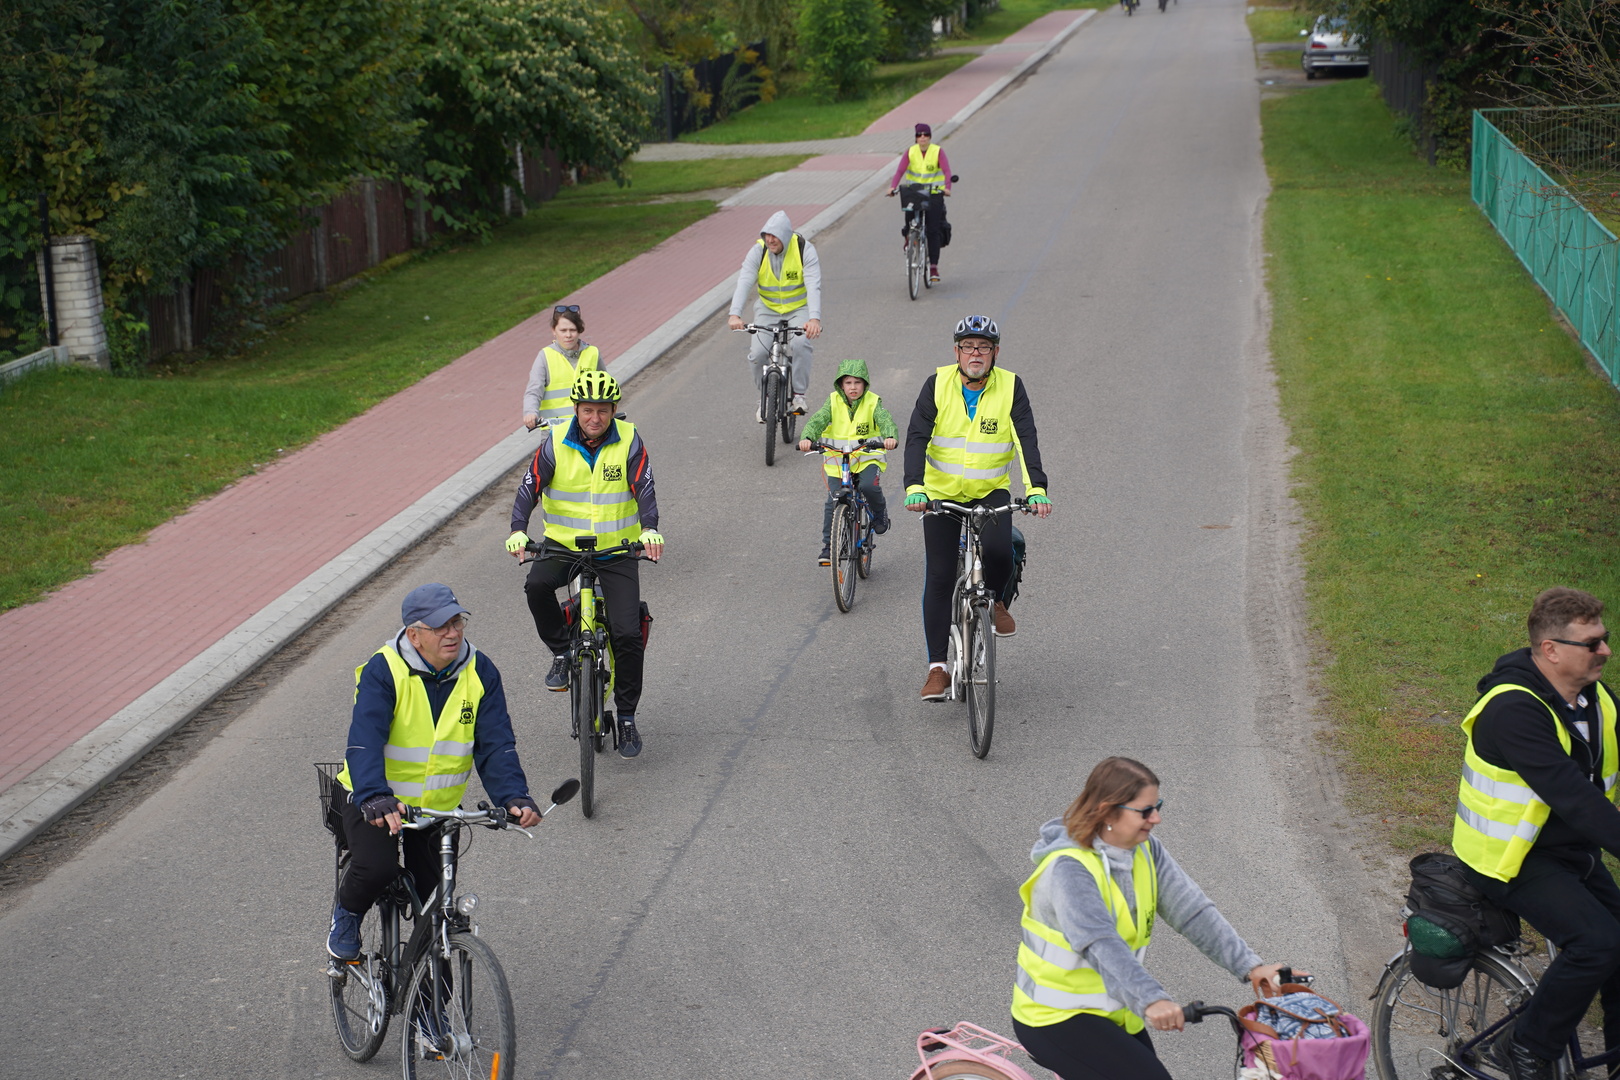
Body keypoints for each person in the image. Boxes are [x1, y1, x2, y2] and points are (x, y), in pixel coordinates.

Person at [1011, 757, 1292, 1080]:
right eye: (1145, 811)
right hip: (1055, 1018)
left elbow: (1193, 912)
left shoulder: (1145, 849)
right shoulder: (1069, 870)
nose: (1156, 818)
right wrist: (1152, 1000)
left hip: (1113, 1010)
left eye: (1157, 807)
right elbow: (1100, 944)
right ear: (1107, 811)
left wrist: (1251, 968)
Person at [1452, 587, 1620, 1080]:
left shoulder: (1594, 699)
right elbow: (1574, 796)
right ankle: (1523, 1047)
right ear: (1551, 649)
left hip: (1568, 851)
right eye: (1592, 643)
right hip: (1509, 859)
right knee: (1598, 942)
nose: (1606, 651)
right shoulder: (1512, 709)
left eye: (1605, 638)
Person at [326, 583, 542, 962]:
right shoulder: (385, 669)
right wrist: (374, 794)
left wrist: (513, 796)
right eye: (441, 626)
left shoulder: (480, 670)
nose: (453, 633)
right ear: (414, 635)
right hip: (375, 799)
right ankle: (346, 915)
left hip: (436, 810)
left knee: (436, 909)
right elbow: (365, 740)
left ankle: (430, 999)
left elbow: (495, 744)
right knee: (376, 868)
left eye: (457, 622)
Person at [505, 370, 663, 758]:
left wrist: (650, 529)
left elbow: (644, 487)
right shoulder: (556, 440)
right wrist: (518, 530)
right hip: (563, 546)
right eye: (588, 410)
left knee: (627, 634)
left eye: (603, 410)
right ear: (576, 409)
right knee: (536, 586)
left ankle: (626, 717)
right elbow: (529, 487)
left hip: (616, 551)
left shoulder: (629, 439)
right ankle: (562, 650)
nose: (595, 417)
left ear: (614, 409)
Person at [903, 314, 1051, 702]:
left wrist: (1036, 489)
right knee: (939, 575)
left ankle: (997, 600)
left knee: (1001, 552)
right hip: (940, 493)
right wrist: (915, 487)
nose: (975, 353)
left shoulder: (1011, 387)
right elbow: (917, 437)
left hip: (989, 491)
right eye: (968, 346)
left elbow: (1026, 439)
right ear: (956, 352)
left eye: (984, 347)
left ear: (995, 353)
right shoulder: (936, 384)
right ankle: (938, 668)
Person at [797, 358, 898, 565]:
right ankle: (829, 546)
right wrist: (807, 438)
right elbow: (818, 419)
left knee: (869, 487)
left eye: (857, 382)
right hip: (838, 461)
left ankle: (879, 513)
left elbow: (885, 420)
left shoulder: (873, 401)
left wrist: (890, 437)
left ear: (865, 384)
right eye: (848, 383)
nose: (853, 387)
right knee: (833, 501)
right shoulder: (833, 401)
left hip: (866, 458)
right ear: (841, 385)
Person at [726, 210, 823, 420]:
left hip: (798, 308)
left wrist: (814, 319)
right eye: (766, 235)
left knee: (800, 344)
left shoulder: (803, 249)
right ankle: (766, 398)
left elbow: (813, 285)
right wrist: (735, 314)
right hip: (767, 309)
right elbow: (744, 281)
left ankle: (798, 395)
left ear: (786, 236)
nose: (770, 240)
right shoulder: (758, 251)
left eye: (775, 236)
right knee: (758, 354)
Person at [886, 122, 952, 283]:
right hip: (914, 193)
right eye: (919, 135)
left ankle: (933, 268)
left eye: (926, 134)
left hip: (934, 194)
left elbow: (946, 171)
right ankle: (909, 238)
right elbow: (900, 171)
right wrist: (893, 187)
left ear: (930, 137)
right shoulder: (910, 152)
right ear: (916, 138)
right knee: (910, 221)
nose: (923, 137)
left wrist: (947, 188)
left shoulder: (937, 151)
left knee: (933, 230)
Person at [522, 304, 600, 430]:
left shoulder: (593, 353)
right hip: (554, 430)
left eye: (572, 330)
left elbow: (605, 388)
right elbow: (534, 390)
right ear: (554, 331)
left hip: (587, 428)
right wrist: (530, 412)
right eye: (563, 330)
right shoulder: (545, 356)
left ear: (579, 330)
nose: (568, 335)